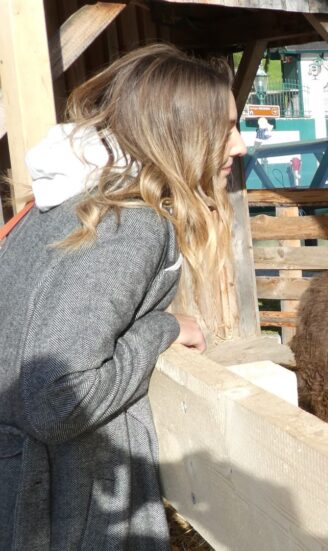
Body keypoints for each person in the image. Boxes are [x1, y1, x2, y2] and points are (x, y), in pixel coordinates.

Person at [0, 43, 246, 549]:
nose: (240, 146)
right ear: (180, 134)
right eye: (225, 129)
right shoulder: (129, 223)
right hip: (63, 517)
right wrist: (164, 328)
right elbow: (57, 398)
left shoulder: (70, 200)